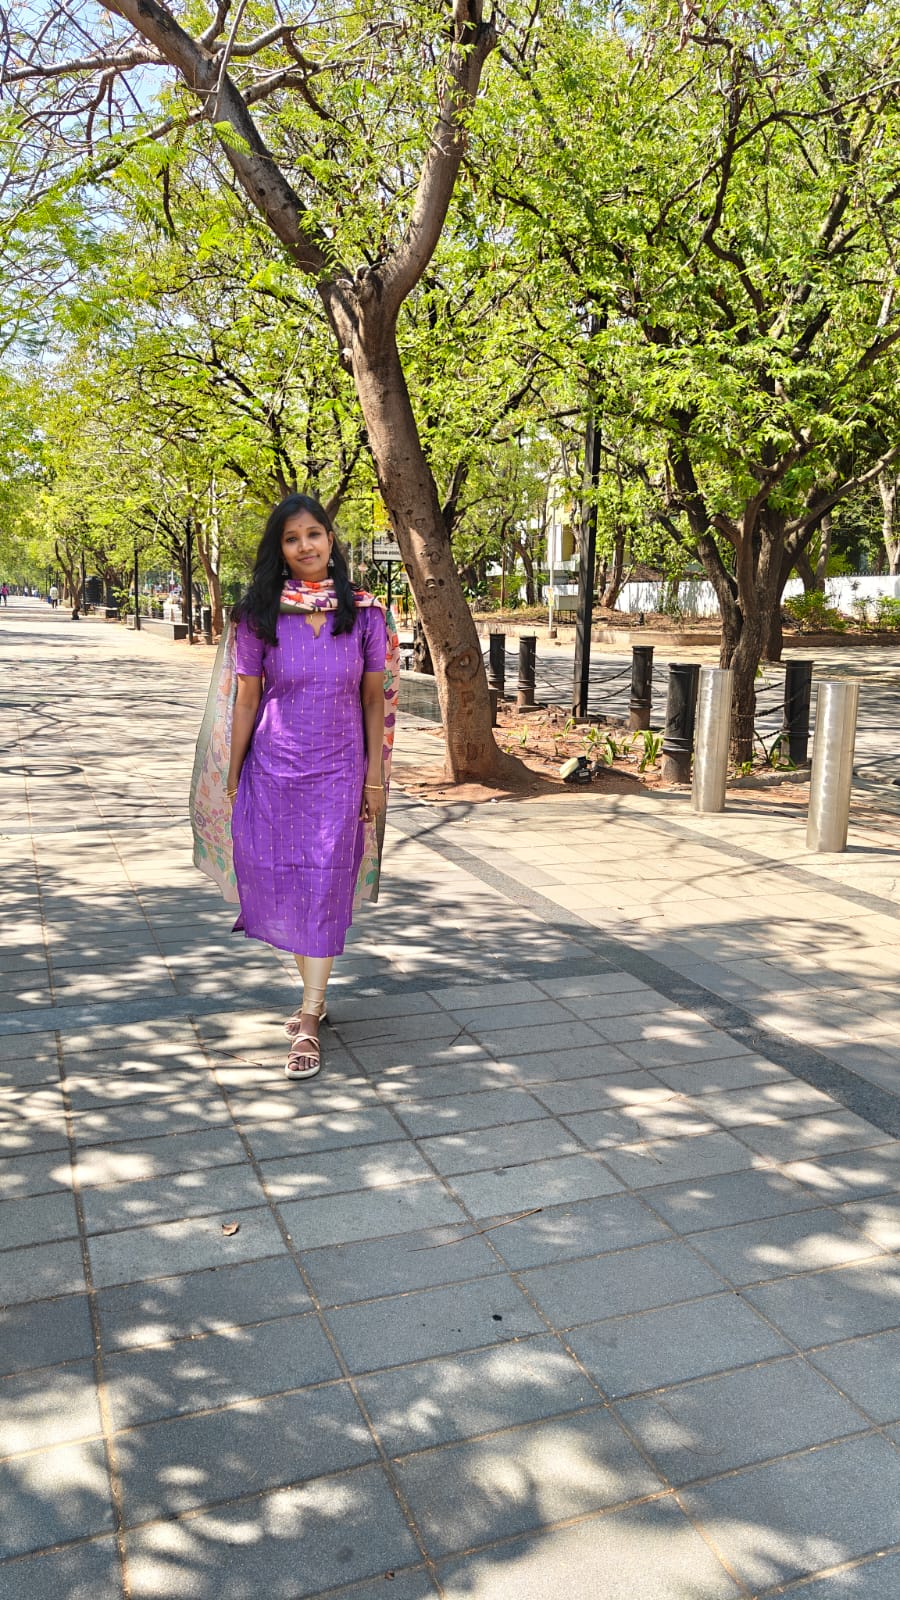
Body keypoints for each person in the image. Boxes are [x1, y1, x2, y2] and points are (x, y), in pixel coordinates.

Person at [189, 493, 399, 1080]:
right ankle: (316, 992)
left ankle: (308, 1016)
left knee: (327, 882)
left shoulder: (365, 614)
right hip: (275, 769)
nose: (305, 545)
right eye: (292, 538)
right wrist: (232, 777)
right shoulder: (260, 616)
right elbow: (248, 698)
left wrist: (375, 781)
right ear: (279, 551)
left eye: (315, 533)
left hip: (340, 772)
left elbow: (372, 699)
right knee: (284, 876)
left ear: (332, 541)